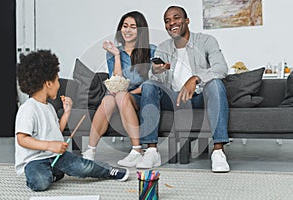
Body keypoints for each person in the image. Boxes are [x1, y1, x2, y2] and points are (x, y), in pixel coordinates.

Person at [15, 49, 129, 192]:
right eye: (57, 80)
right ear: (48, 83)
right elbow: (22, 139)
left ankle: (108, 171)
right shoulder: (28, 108)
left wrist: (67, 113)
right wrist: (50, 145)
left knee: (83, 166)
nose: (59, 85)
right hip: (34, 161)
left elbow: (56, 131)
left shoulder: (49, 107)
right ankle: (50, 173)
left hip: (55, 156)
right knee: (40, 183)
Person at [137, 5, 230, 172]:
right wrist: (156, 72)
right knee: (148, 85)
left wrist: (195, 78)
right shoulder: (163, 48)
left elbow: (221, 68)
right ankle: (151, 150)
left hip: (199, 96)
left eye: (176, 17)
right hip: (174, 98)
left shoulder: (206, 41)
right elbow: (157, 81)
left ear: (187, 21)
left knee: (216, 84)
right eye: (167, 21)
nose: (172, 22)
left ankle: (218, 151)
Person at [82, 11, 156, 168]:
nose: (128, 30)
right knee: (108, 99)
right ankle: (90, 150)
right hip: (120, 96)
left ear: (141, 30)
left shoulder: (151, 50)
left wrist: (128, 93)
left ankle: (137, 150)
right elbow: (117, 82)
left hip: (144, 96)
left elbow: (152, 82)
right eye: (125, 26)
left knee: (121, 96)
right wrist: (116, 55)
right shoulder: (113, 53)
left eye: (133, 27)